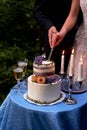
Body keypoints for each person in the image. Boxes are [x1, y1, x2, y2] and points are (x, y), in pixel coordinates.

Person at [34, 0, 83, 74]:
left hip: (77, 36)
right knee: (52, 77)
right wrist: (51, 27)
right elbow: (39, 11)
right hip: (56, 38)